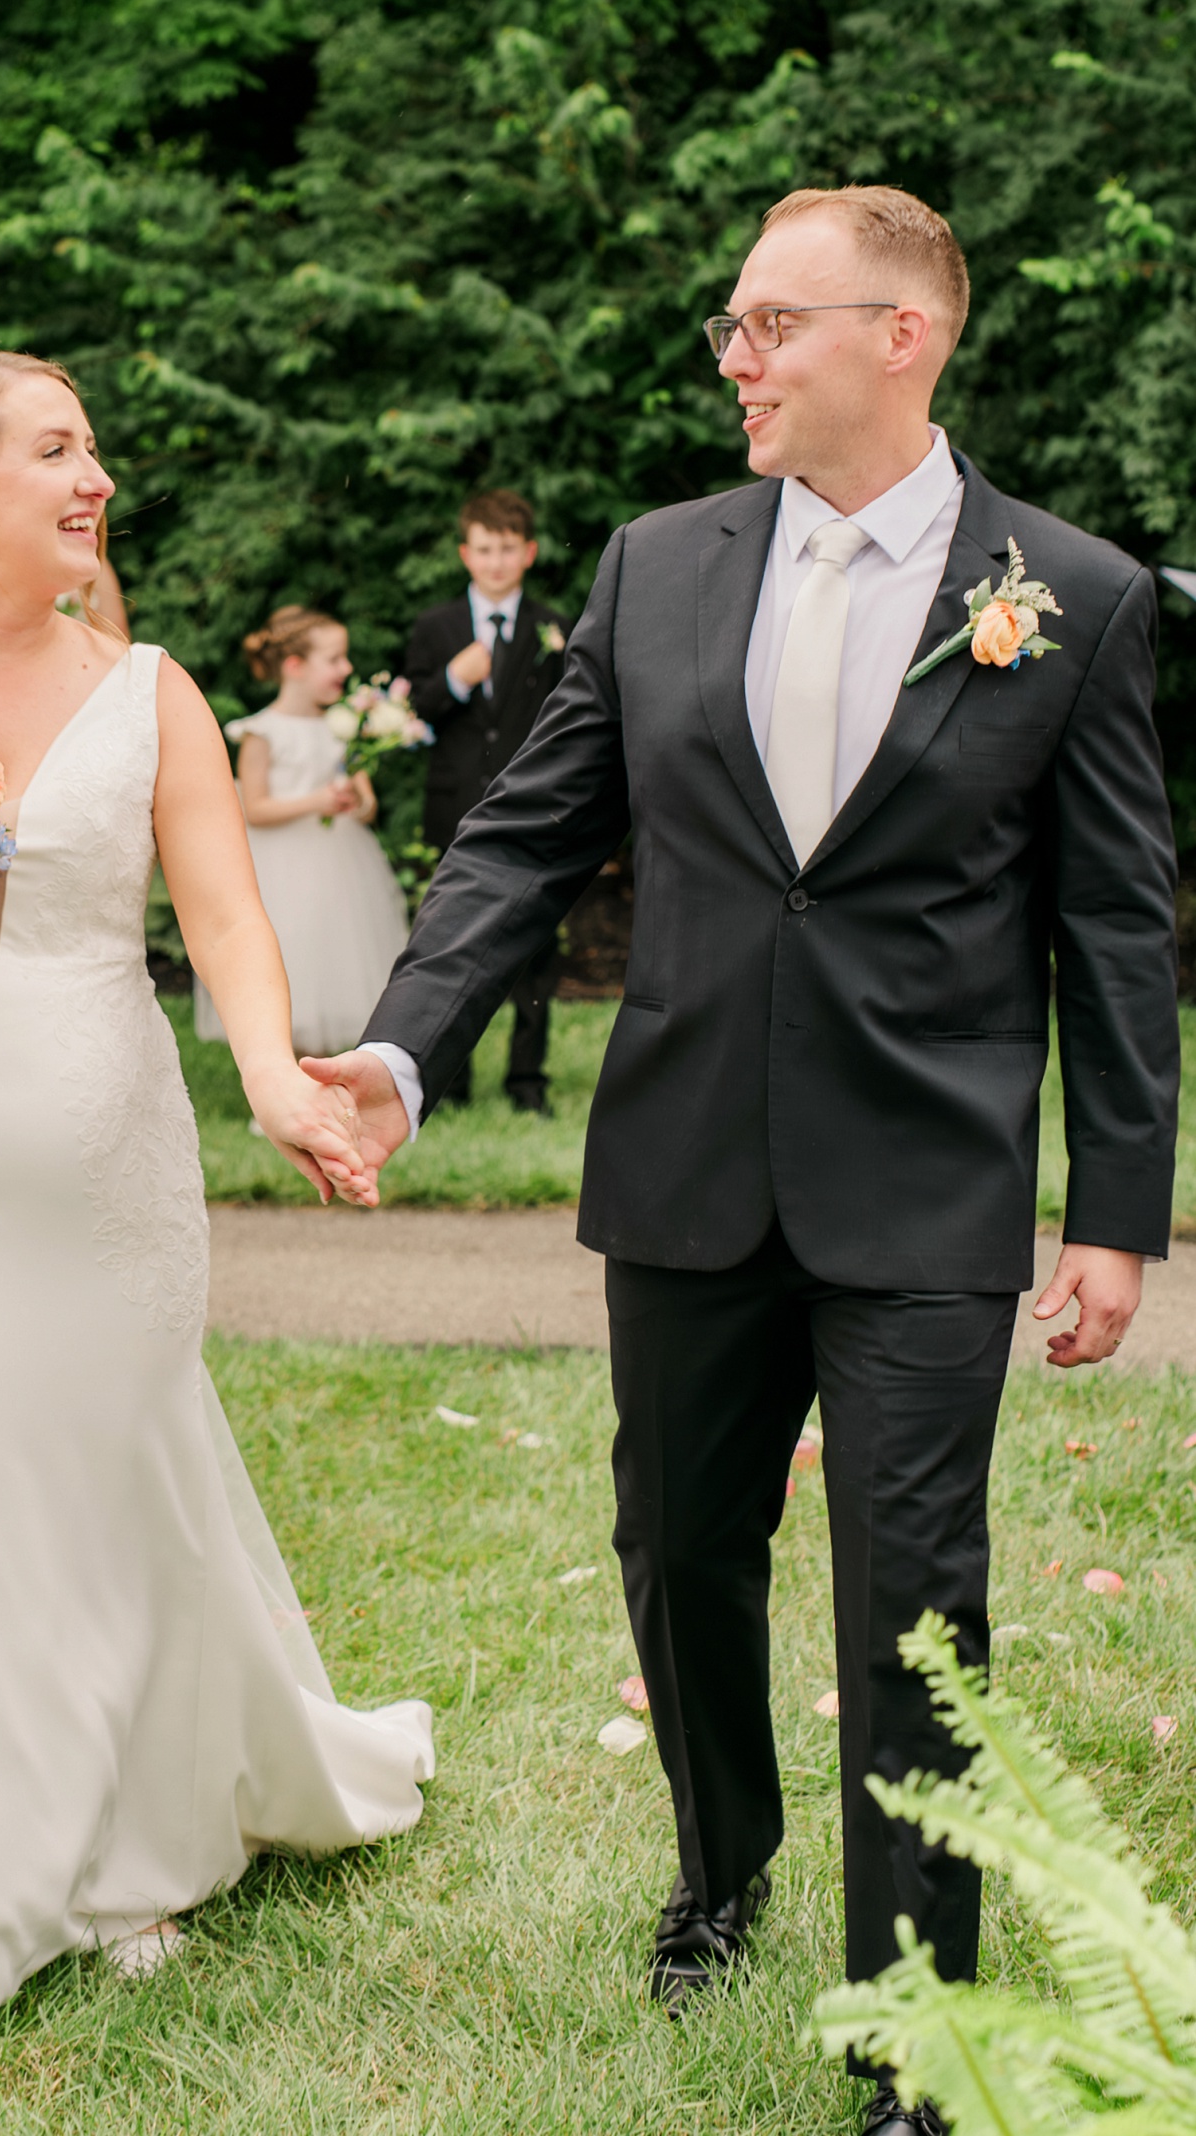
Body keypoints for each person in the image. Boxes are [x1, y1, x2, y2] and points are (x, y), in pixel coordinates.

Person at [312, 187, 1178, 2136]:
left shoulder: (1068, 593)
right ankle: (720, 1866)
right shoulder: (656, 567)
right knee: (677, 1550)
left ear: (901, 334)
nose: (733, 356)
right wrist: (400, 1045)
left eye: (770, 323)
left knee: (914, 1604)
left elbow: (1114, 929)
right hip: (687, 1163)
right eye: (731, 323)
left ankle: (915, 2032)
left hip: (923, 1183)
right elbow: (528, 835)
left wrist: (1113, 1208)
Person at [0, 349, 432, 2136]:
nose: (95, 475)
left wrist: (271, 1076)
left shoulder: (152, 690)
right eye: (56, 449)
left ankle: (130, 1847)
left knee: (103, 1510)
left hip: (109, 1179)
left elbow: (226, 921)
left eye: (92, 446)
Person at [402, 491, 568, 1113]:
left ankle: (527, 1081)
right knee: (449, 944)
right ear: (465, 554)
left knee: (537, 948)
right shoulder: (436, 626)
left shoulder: (552, 626)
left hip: (532, 806)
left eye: (507, 549)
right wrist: (453, 679)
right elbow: (411, 713)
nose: (496, 561)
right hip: (455, 808)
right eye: (484, 549)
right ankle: (450, 1083)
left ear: (528, 553)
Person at [193, 605, 409, 1057]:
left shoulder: (343, 727)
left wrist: (356, 801)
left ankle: (329, 1070)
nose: (346, 669)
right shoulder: (261, 731)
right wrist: (317, 802)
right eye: (334, 659)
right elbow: (254, 809)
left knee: (334, 957)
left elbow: (367, 806)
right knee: (289, 959)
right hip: (281, 869)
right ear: (295, 666)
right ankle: (282, 1070)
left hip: (340, 867)